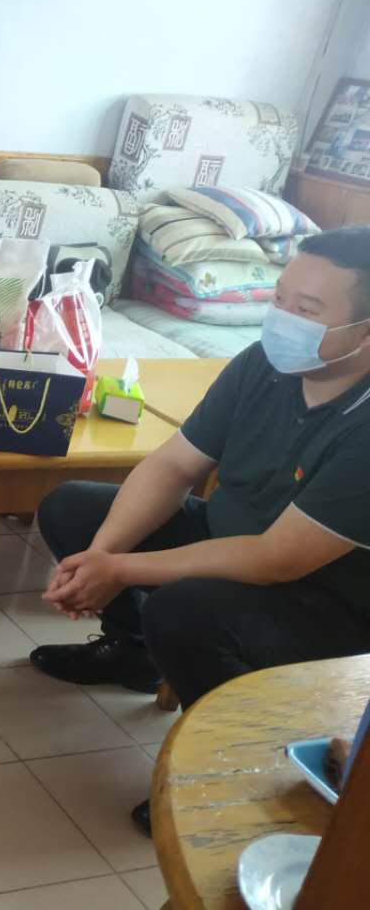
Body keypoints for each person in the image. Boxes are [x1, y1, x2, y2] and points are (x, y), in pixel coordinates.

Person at [31, 226, 370, 836]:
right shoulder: (263, 364)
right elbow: (173, 465)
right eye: (279, 298)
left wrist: (122, 570)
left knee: (185, 609)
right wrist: (102, 556)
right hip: (228, 540)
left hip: (326, 603)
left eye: (307, 309)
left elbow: (277, 559)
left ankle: (227, 767)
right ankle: (137, 654)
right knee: (72, 509)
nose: (282, 319)